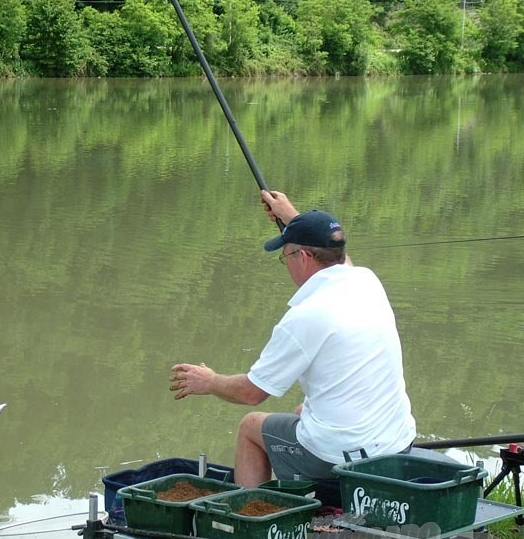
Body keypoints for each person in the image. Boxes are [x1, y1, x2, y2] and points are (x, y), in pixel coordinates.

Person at [169, 190, 416, 487]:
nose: (285, 264)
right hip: (398, 443)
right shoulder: (366, 281)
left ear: (304, 256)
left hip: (341, 458)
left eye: (285, 255)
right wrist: (293, 218)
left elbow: (251, 392)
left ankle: (249, 517)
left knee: (251, 427)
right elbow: (340, 258)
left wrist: (208, 381)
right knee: (301, 411)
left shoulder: (305, 316)